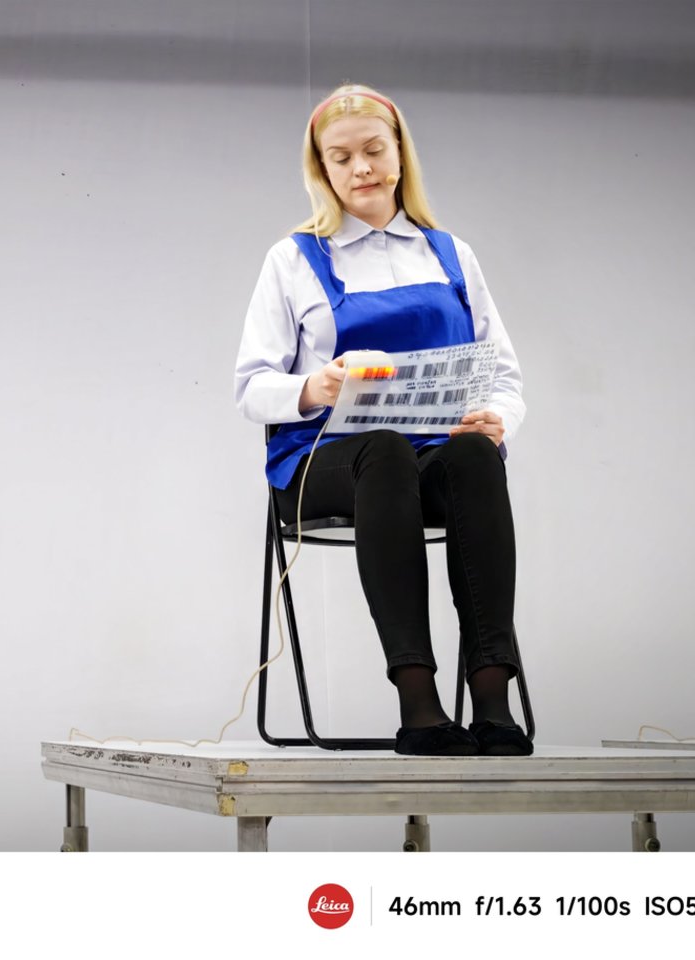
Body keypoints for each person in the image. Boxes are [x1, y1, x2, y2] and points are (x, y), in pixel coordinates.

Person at [234, 84, 531, 757]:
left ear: (400, 154)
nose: (361, 168)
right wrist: (314, 386)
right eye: (341, 158)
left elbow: (503, 373)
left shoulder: (450, 253)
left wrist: (496, 418)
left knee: (476, 457)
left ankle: (492, 701)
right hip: (324, 463)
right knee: (386, 449)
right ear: (321, 169)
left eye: (373, 150)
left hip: (427, 457)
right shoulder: (293, 259)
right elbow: (251, 388)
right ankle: (419, 706)